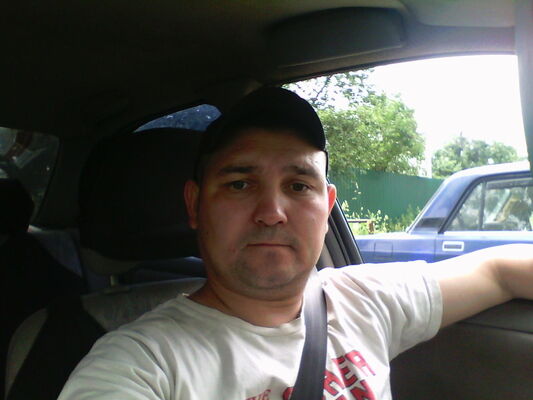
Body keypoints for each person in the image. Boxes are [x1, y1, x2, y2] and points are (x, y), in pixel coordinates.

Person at [58, 88, 533, 400]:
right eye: (240, 184)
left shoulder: (364, 298)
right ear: (195, 204)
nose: (272, 212)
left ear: (327, 207)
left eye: (299, 186)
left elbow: (498, 270)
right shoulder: (141, 363)